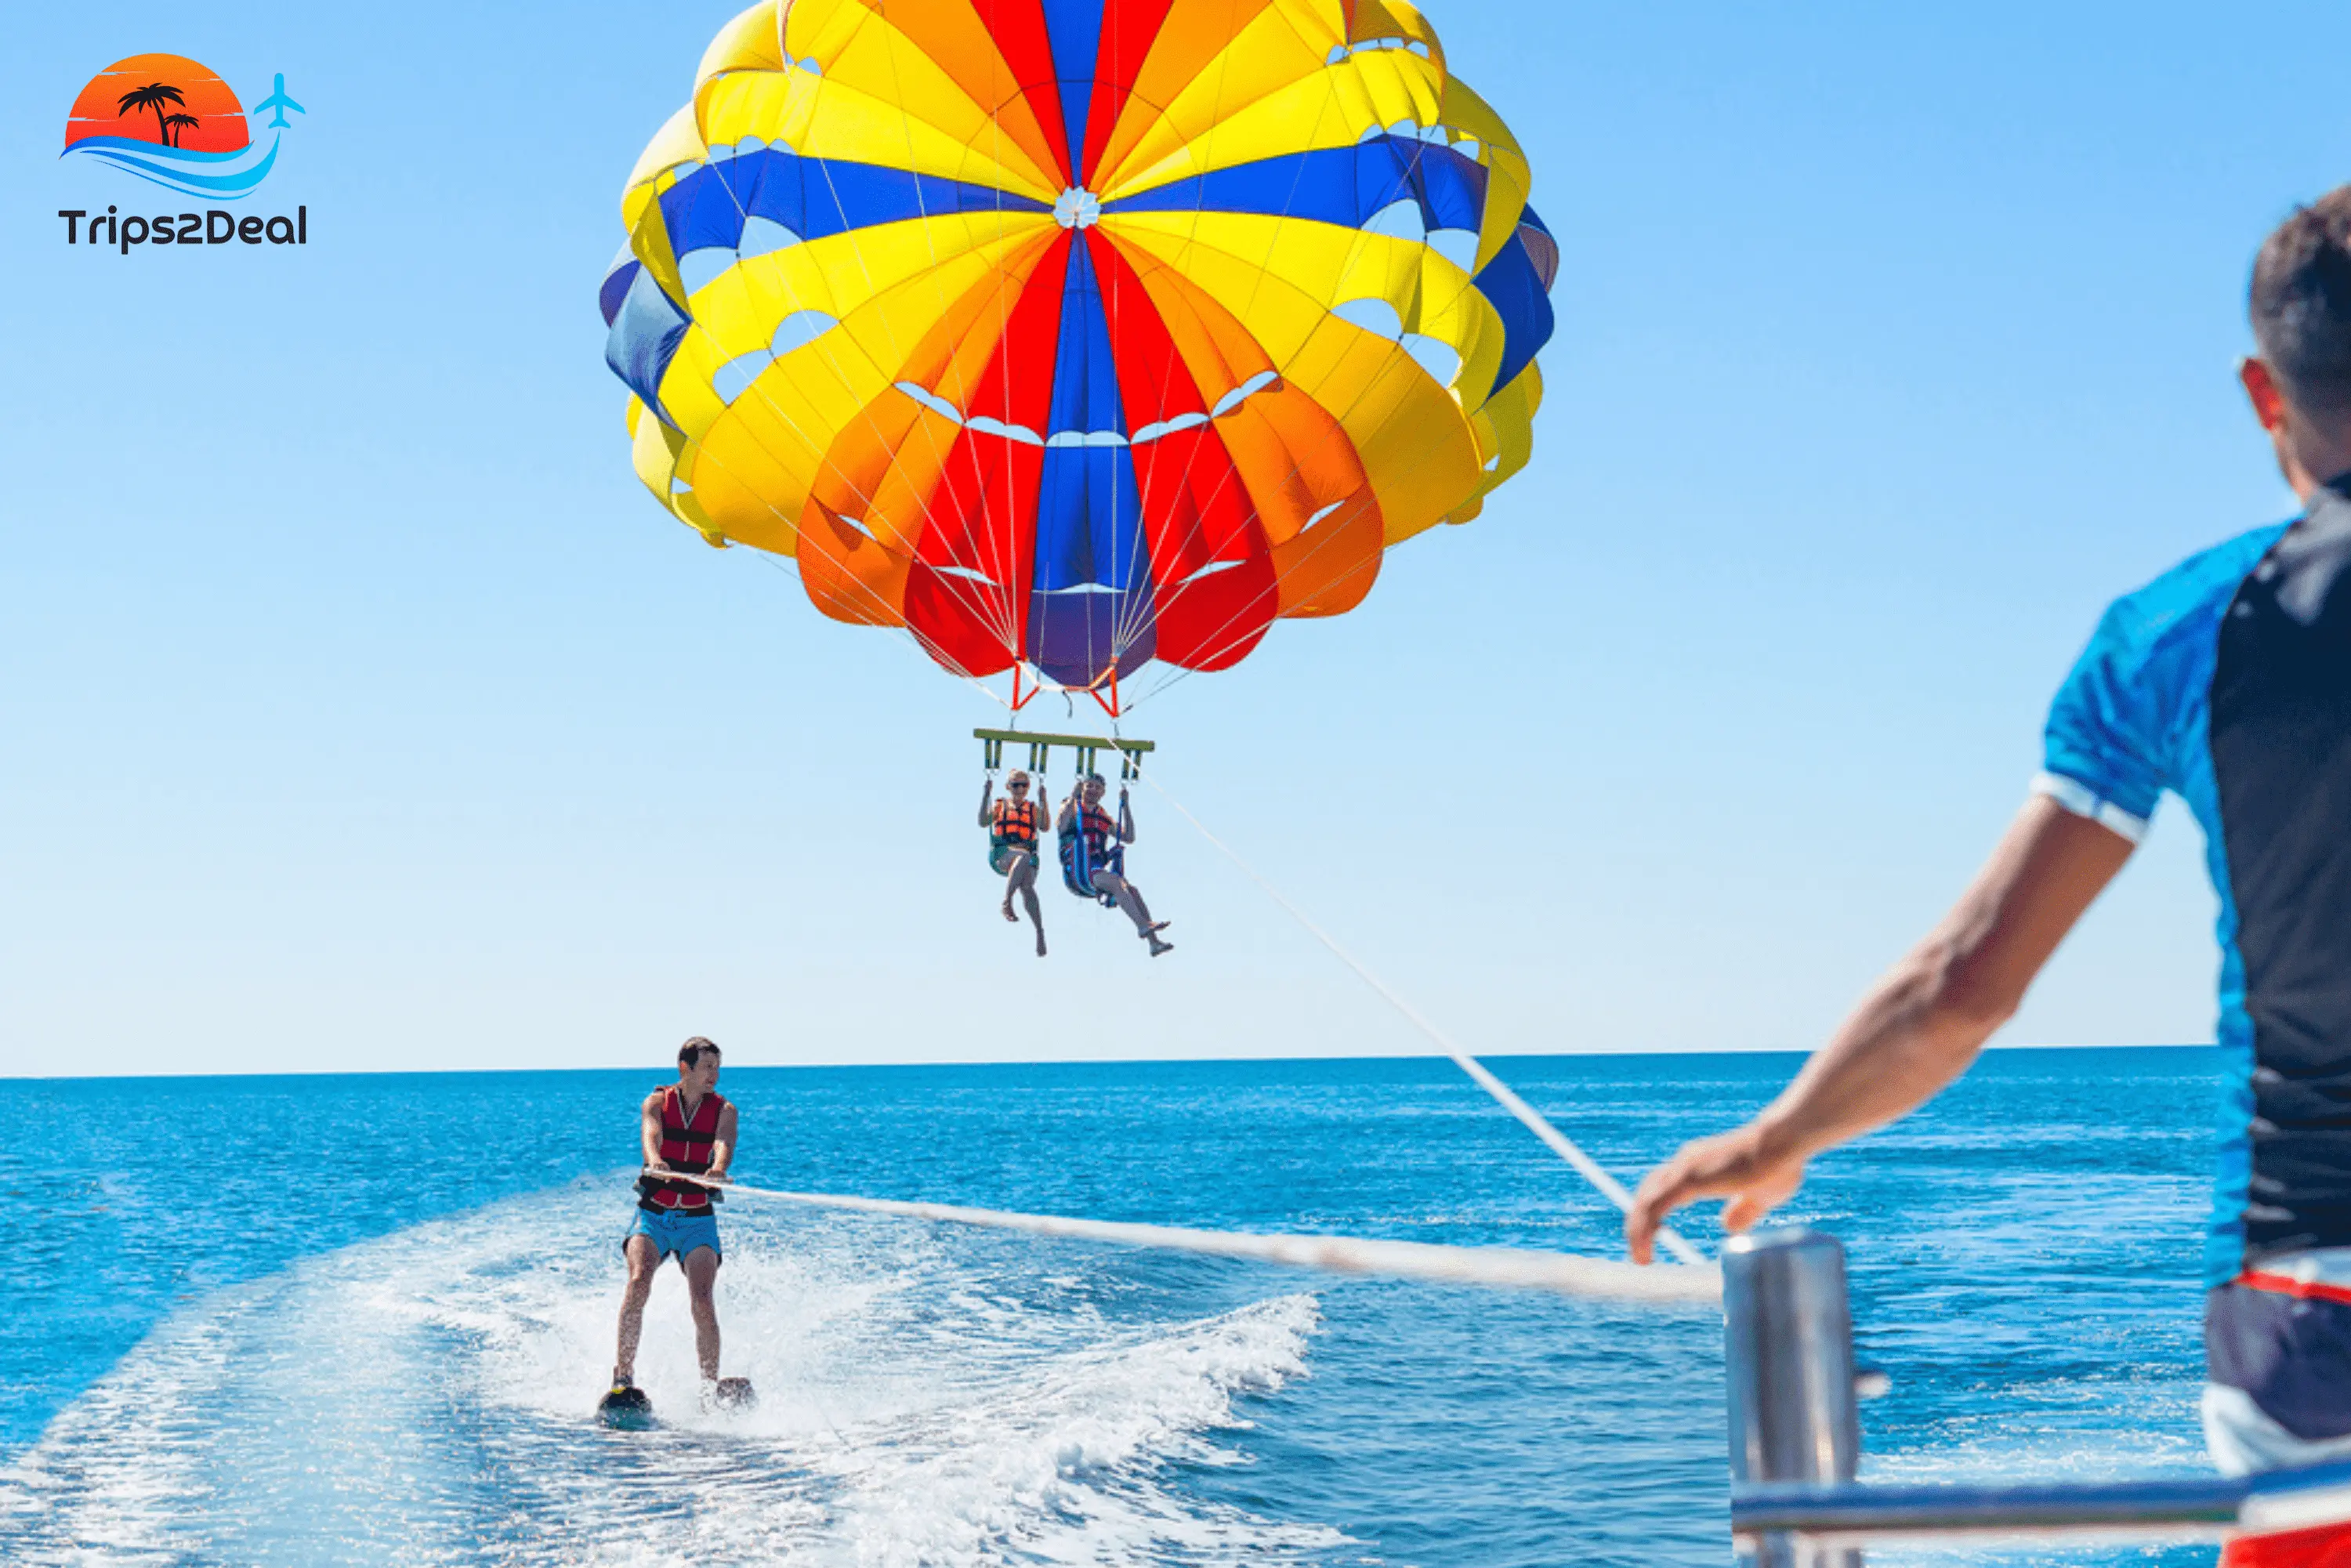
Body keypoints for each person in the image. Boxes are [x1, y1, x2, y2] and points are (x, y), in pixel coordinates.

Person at [1626, 190, 2351, 1563]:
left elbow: (1964, 986)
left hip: (2311, 1307)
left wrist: (1778, 1137)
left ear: (2265, 392)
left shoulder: (2183, 632)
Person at [610, 1036, 738, 1403]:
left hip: (697, 1219)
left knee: (702, 1296)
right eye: (708, 1067)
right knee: (638, 1281)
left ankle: (708, 1389)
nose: (715, 1074)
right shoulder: (656, 1103)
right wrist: (655, 1162)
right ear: (686, 1068)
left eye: (718, 1067)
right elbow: (651, 1135)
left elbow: (723, 1143)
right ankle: (623, 1377)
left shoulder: (726, 1110)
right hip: (653, 1216)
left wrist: (717, 1169)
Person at [1058, 773, 1173, 956]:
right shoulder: (1073, 810)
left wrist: (1125, 805)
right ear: (1083, 788)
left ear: (1103, 792)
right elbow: (1062, 826)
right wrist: (1074, 795)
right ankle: (1143, 925)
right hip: (1079, 871)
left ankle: (1154, 943)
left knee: (1131, 890)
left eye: (1098, 787)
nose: (1093, 790)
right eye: (1089, 786)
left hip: (1096, 869)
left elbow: (1129, 837)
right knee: (1117, 883)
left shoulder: (1104, 818)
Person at [980, 768, 1046, 956]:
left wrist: (1044, 800)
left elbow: (1045, 827)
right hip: (1002, 855)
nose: (1020, 789)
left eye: (1024, 785)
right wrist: (986, 795)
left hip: (1027, 856)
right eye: (1016, 785)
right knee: (1022, 857)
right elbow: (983, 822)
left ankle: (1039, 932)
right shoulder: (1000, 806)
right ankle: (1007, 901)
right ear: (1008, 787)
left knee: (1027, 887)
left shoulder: (1033, 809)